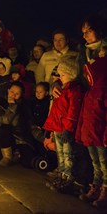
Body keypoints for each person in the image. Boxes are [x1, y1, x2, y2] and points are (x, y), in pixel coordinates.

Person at [75, 14, 107, 207]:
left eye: (89, 30)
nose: (85, 35)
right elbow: (84, 80)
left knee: (104, 156)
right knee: (94, 156)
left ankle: (105, 189)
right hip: (91, 105)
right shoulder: (84, 54)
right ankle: (95, 185)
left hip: (101, 107)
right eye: (83, 33)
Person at [43, 58, 84, 194]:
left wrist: (68, 128)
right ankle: (61, 175)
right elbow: (55, 110)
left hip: (65, 128)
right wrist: (49, 127)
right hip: (57, 127)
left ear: (71, 74)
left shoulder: (74, 91)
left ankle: (68, 178)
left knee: (68, 155)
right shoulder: (62, 89)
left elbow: (72, 112)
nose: (60, 77)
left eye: (63, 75)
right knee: (60, 154)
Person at [0, 81, 35, 167]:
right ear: (8, 90)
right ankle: (7, 157)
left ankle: (18, 153)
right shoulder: (0, 103)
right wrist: (12, 106)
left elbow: (30, 124)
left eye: (17, 94)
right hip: (7, 136)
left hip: (21, 137)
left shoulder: (25, 105)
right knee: (4, 129)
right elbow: (4, 120)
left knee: (27, 161)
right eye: (12, 92)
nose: (13, 95)